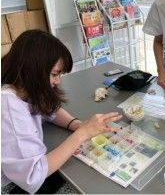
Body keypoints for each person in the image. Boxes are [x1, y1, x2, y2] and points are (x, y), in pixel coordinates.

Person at [1, 30, 122, 193]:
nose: (58, 81)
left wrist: (78, 125)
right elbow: (33, 175)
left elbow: (49, 108)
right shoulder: (9, 106)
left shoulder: (22, 85)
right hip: (11, 185)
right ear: (32, 70)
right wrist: (82, 135)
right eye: (54, 74)